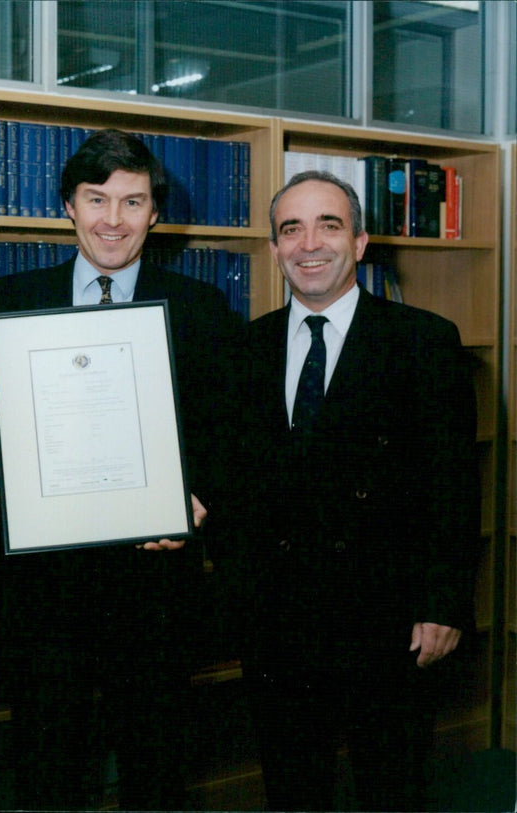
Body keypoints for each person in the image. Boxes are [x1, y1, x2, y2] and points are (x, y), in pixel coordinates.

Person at [0, 128, 245, 809]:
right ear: (68, 205)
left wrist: (199, 501)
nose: (112, 220)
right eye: (97, 199)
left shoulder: (203, 311)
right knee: (47, 760)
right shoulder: (9, 298)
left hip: (154, 574)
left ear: (154, 212)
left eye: (132, 201)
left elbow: (230, 438)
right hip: (43, 581)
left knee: (155, 764)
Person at [220, 170, 481, 811]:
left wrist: (444, 605)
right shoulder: (243, 348)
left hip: (386, 619)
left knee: (389, 787)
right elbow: (229, 475)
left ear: (360, 243)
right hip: (277, 621)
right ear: (275, 247)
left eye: (329, 225)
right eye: (292, 228)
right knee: (291, 787)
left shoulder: (424, 341)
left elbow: (454, 486)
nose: (310, 243)